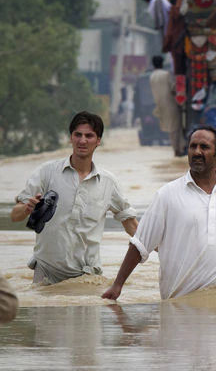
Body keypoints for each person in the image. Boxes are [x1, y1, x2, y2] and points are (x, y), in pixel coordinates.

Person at [101, 126, 216, 300]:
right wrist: (118, 285)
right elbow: (140, 245)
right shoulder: (167, 195)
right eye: (193, 146)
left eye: (204, 147)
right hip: (181, 309)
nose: (197, 152)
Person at [12, 112, 138, 285]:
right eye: (77, 135)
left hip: (86, 278)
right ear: (70, 138)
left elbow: (130, 224)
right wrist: (27, 209)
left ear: (98, 141)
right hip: (46, 274)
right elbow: (15, 215)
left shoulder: (108, 182)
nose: (82, 140)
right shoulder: (46, 172)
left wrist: (162, 249)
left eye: (89, 136)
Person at [149, 55, 185, 156]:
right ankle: (178, 150)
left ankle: (176, 149)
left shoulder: (152, 76)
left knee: (171, 128)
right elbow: (173, 88)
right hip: (171, 104)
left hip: (160, 106)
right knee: (176, 128)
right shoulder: (166, 74)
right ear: (162, 63)